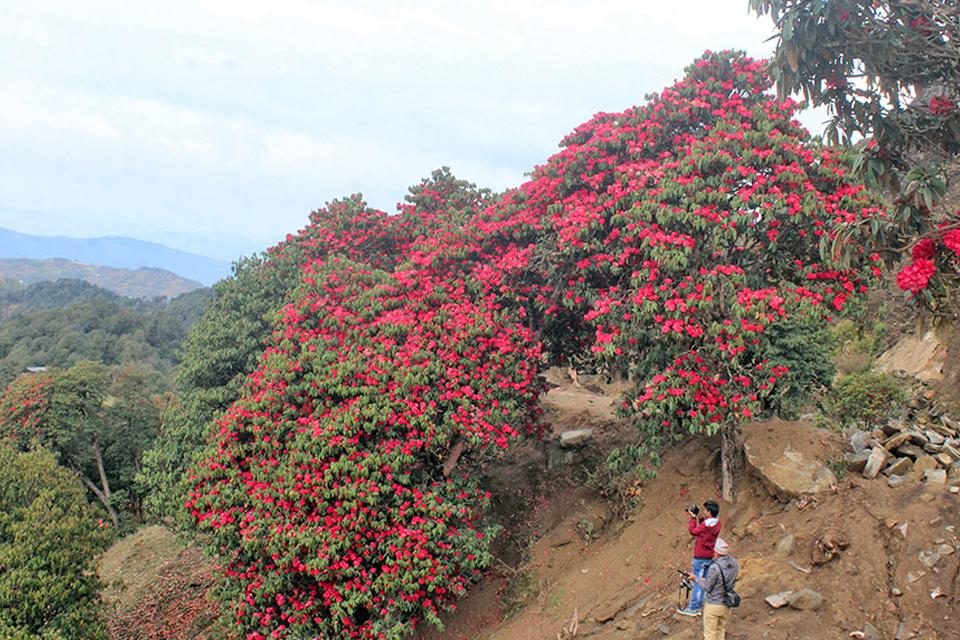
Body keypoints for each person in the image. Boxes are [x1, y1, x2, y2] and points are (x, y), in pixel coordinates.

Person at [689, 537, 739, 640]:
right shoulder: (734, 563)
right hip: (726, 604)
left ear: (715, 551)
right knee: (720, 631)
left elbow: (707, 587)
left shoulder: (715, 567)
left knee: (710, 635)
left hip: (713, 604)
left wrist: (696, 579)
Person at [678, 500, 721, 616]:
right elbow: (706, 529)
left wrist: (693, 519)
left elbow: (693, 531)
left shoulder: (705, 525)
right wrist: (700, 519)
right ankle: (701, 606)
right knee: (705, 582)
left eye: (706, 510)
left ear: (709, 512)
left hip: (700, 556)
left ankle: (694, 608)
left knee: (697, 581)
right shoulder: (717, 523)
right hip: (710, 556)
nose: (704, 512)